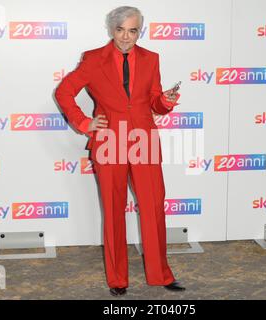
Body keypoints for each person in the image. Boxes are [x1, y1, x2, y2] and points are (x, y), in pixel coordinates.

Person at [55, 6, 185, 296]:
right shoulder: (92, 59)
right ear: (111, 30)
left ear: (140, 32)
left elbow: (154, 102)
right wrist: (84, 123)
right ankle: (117, 279)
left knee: (152, 208)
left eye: (133, 30)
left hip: (143, 140)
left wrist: (166, 100)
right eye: (121, 30)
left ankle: (161, 275)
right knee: (114, 211)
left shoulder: (151, 59)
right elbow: (64, 92)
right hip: (109, 141)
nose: (126, 37)